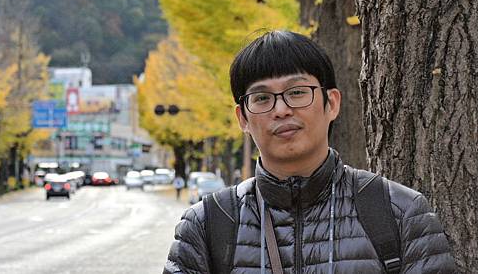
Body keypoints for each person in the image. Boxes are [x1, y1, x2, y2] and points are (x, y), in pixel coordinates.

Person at [163, 31, 455, 273]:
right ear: (243, 118)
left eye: (297, 92)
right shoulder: (207, 226)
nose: (281, 110)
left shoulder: (400, 213)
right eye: (262, 98)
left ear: (332, 103)